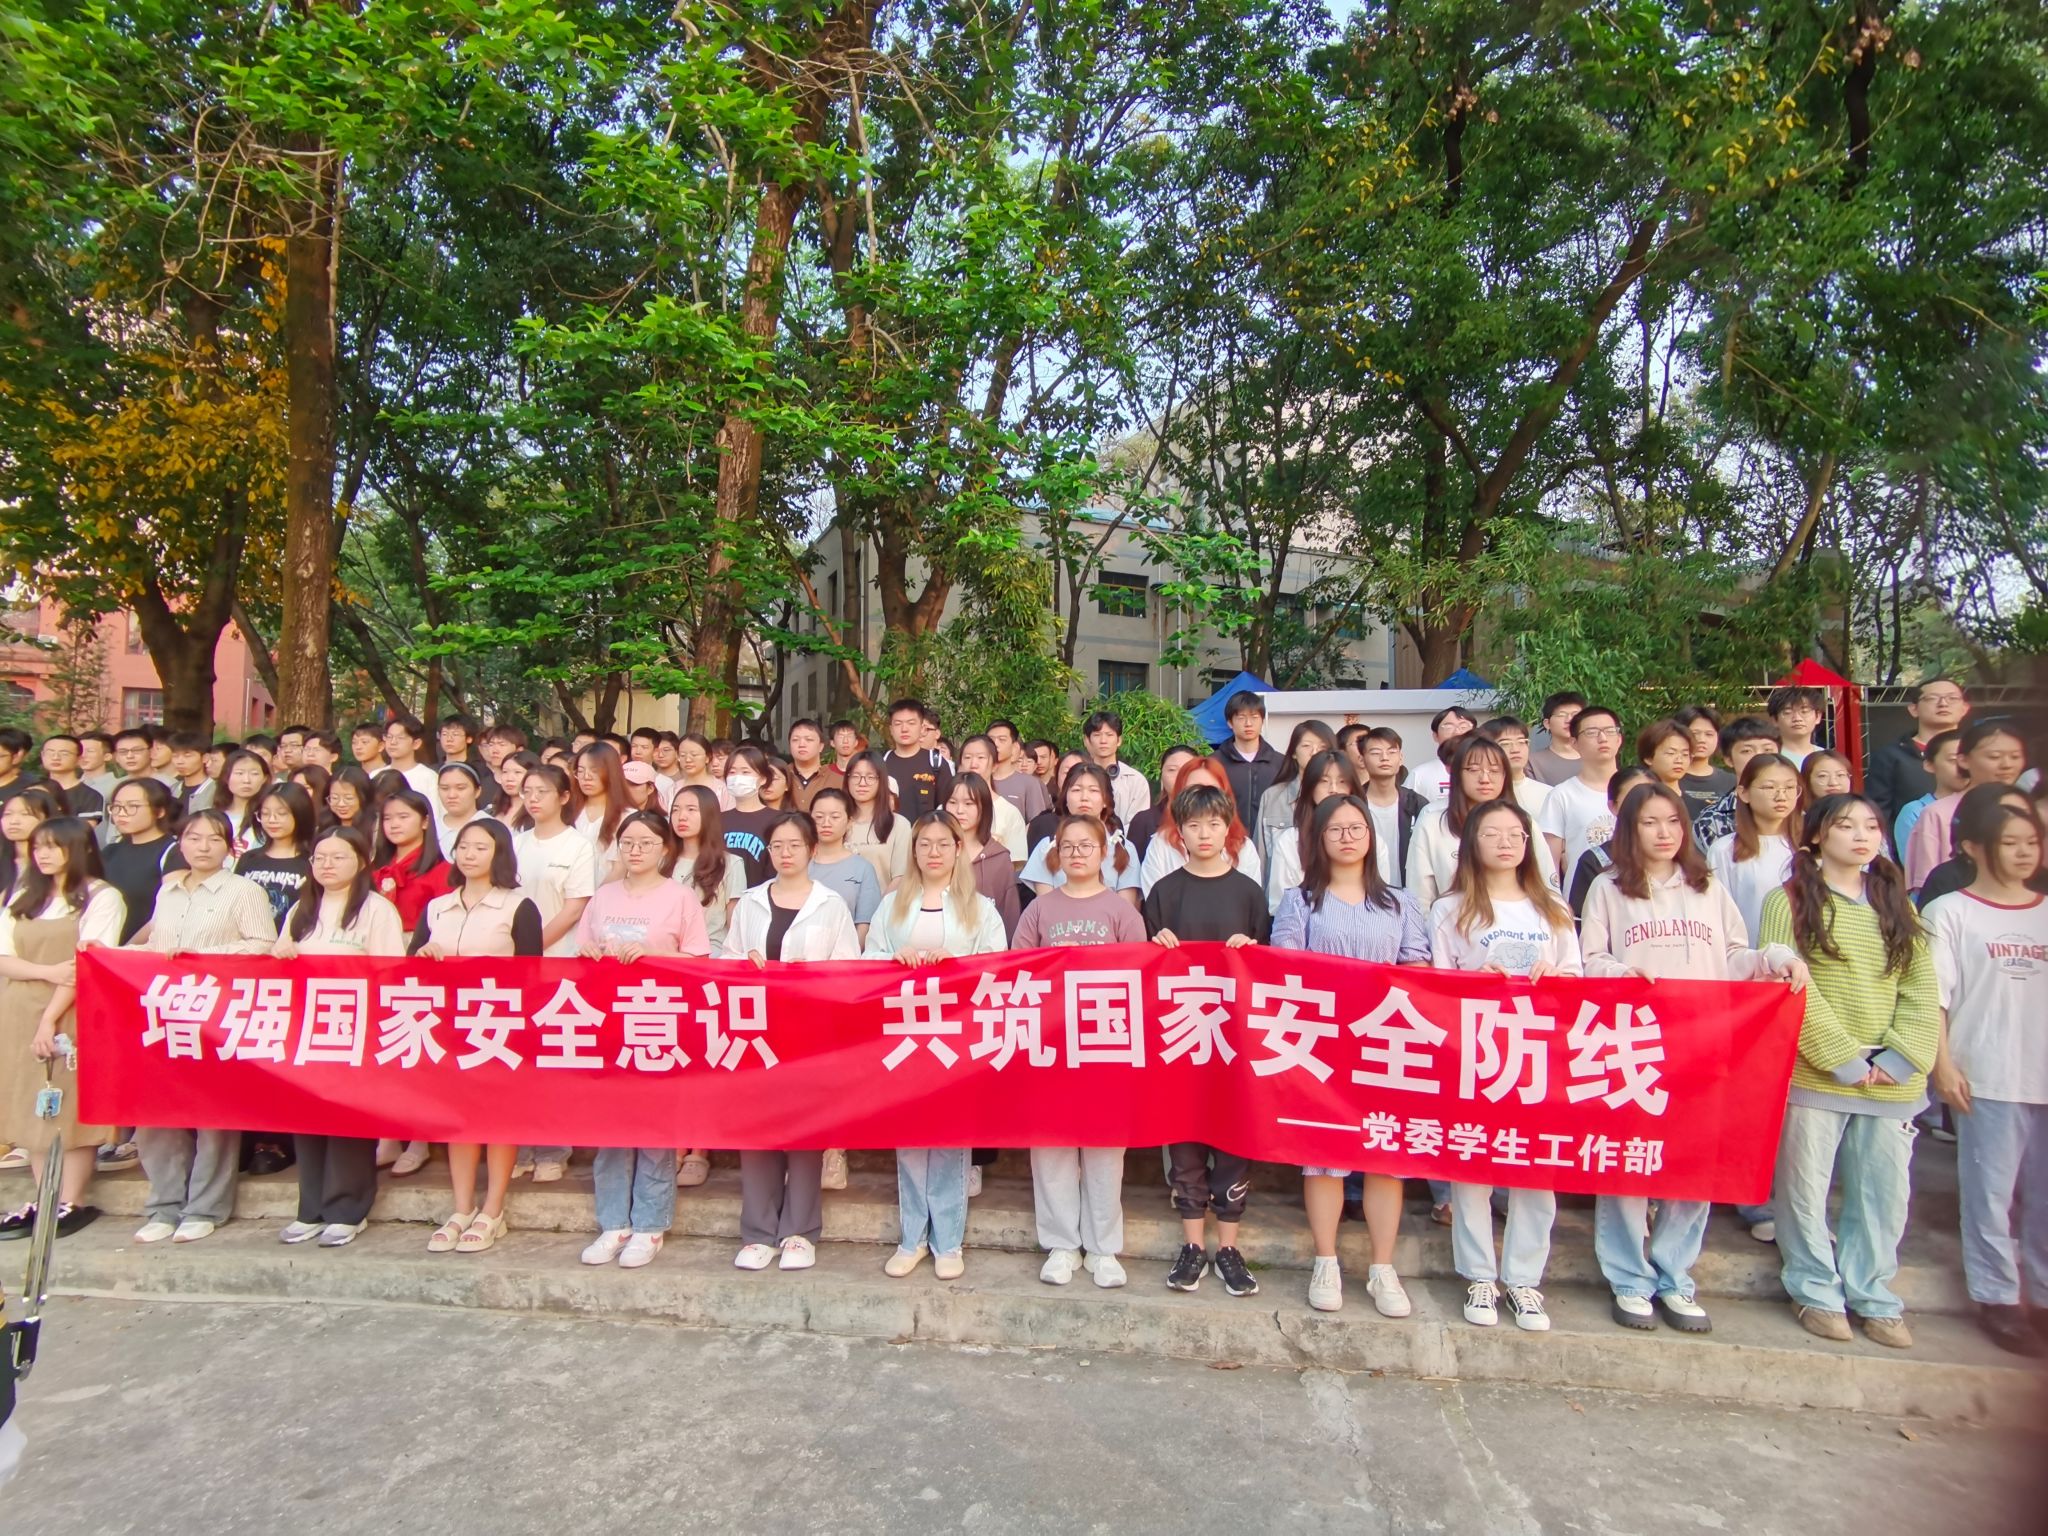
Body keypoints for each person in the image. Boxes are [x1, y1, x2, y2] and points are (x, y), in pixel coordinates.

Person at [1581, 784, 1808, 1333]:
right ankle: (1629, 1277)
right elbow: (1590, 959)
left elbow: (1733, 954)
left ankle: (1675, 1275)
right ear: (1629, 829)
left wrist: (1773, 957)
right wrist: (1620, 973)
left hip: (1703, 1045)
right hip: (1635, 1046)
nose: (1664, 833)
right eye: (1650, 822)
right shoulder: (1608, 887)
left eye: (1673, 822)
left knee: (1692, 1163)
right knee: (1630, 1160)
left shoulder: (1707, 885)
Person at [1758, 795, 1937, 1349]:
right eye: (1845, 825)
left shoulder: (1897, 904)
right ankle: (1814, 1290)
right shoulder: (1787, 900)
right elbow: (1791, 988)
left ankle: (1874, 1296)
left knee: (1883, 1195)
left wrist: (1898, 1058)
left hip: (1892, 1079)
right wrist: (1843, 1057)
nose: (1862, 836)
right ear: (1816, 835)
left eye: (1871, 826)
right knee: (1803, 1191)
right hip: (1816, 1074)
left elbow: (1922, 989)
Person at [1272, 794, 1429, 1315]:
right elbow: (1285, 969)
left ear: (1371, 835)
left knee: (1385, 1156)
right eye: (1335, 829)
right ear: (1318, 839)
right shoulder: (1300, 901)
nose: (1346, 837)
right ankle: (1326, 1261)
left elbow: (1418, 967)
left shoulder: (1401, 903)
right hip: (1322, 1045)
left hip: (1387, 1043)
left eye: (1356, 827)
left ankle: (1383, 1268)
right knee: (1324, 1158)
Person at [1427, 800, 1580, 1330]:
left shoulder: (1551, 907)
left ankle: (1524, 1280)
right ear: (1472, 843)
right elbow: (1434, 987)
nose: (1505, 842)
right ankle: (1479, 1276)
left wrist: (1555, 977)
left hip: (1540, 1054)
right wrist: (1473, 981)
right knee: (1473, 1165)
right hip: (1477, 1053)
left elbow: (1578, 978)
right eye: (1492, 833)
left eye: (1515, 833)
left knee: (1536, 1168)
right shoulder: (1451, 909)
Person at [1923, 794, 2048, 1355]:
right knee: (1990, 1194)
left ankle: (2042, 1295)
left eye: (2031, 842)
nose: (2023, 853)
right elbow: (1934, 998)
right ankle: (1998, 1297)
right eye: (2009, 843)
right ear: (1974, 847)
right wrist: (1944, 1063)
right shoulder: (1951, 912)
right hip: (1987, 1073)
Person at [863, 812, 1007, 1282]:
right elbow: (867, 960)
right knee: (909, 1139)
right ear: (914, 850)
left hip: (956, 1039)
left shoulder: (979, 907)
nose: (934, 852)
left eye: (944, 843)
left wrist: (959, 964)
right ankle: (912, 1239)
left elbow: (998, 967)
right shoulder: (893, 904)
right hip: (904, 1038)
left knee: (949, 1139)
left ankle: (948, 1241)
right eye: (925, 844)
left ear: (958, 849)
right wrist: (893, 959)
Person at [1012, 812, 1148, 1291]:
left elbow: (1141, 978)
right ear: (1056, 854)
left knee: (1105, 1149)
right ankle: (1061, 1244)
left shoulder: (1122, 912)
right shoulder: (1039, 910)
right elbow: (1017, 973)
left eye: (1086, 845)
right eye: (1067, 846)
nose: (1076, 853)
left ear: (1104, 853)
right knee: (1051, 1147)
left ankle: (1104, 1247)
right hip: (1050, 1047)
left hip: (1105, 1047)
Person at [1144, 781, 1269, 1298]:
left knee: (1234, 1139)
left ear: (1228, 829)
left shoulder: (1249, 892)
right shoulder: (1163, 892)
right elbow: (1144, 969)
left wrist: (1249, 950)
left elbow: (1268, 969)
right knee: (1185, 1139)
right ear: (1179, 832)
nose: (1203, 834)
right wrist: (1157, 946)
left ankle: (1229, 1249)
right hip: (1180, 1036)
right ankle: (1193, 1245)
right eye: (1193, 825)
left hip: (1235, 1038)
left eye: (1213, 824)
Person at [128, 810, 276, 1244]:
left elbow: (263, 946)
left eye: (214, 839)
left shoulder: (244, 890)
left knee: (214, 1114)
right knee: (156, 1110)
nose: (203, 847)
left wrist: (202, 957)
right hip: (165, 1013)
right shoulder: (169, 891)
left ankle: (205, 1207)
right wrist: (109, 953)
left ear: (229, 847)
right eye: (194, 838)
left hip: (217, 1015)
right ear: (181, 843)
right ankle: (164, 1205)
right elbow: (157, 948)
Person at [723, 811, 861, 1271]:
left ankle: (800, 1232)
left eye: (794, 845)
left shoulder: (831, 904)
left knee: (805, 1133)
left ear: (811, 850)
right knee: (757, 1130)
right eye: (777, 846)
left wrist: (813, 974)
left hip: (809, 1033)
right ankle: (758, 1232)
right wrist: (745, 964)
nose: (785, 854)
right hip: (757, 1032)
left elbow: (848, 968)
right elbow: (726, 960)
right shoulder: (750, 902)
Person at [576, 811, 709, 1270]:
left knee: (654, 1128)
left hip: (659, 1022)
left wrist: (655, 954)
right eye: (628, 842)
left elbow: (699, 960)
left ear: (664, 849)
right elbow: (581, 953)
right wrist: (588, 952)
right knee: (610, 1127)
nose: (635, 850)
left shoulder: (680, 897)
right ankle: (614, 1221)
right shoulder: (603, 896)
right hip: (608, 1023)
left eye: (646, 842)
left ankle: (650, 1223)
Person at [272, 827, 406, 1247]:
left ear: (362, 861)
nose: (326, 865)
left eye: (338, 857)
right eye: (319, 858)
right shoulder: (302, 908)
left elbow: (391, 973)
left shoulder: (376, 910)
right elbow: (278, 960)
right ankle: (310, 1208)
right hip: (305, 1029)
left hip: (355, 1029)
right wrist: (282, 955)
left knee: (348, 1120)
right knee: (307, 1119)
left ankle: (348, 1209)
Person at [416, 820, 544, 1257]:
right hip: (446, 1026)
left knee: (498, 1118)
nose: (469, 855)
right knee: (459, 1118)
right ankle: (461, 1208)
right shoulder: (437, 908)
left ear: (499, 853)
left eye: (480, 847)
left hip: (498, 1027)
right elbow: (411, 966)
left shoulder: (518, 906)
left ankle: (493, 1209)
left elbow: (532, 973)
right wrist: (425, 957)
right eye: (463, 847)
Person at [0, 817, 124, 1240]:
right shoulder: (22, 896)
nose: (43, 855)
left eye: (54, 846)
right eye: (38, 847)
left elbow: (85, 965)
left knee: (69, 1103)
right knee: (31, 1104)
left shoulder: (101, 897)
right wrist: (45, 971)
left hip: (73, 1010)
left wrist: (50, 1017)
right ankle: (44, 1197)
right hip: (20, 1006)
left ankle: (71, 1198)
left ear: (81, 849)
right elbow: (4, 956)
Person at [370, 788, 448, 1179]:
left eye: (403, 817)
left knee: (417, 1052)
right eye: (388, 818)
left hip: (419, 961)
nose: (394, 825)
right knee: (382, 1052)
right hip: (376, 959)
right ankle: (387, 1135)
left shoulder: (440, 870)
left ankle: (419, 1139)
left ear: (424, 821)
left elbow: (442, 922)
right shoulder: (376, 868)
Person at [1408, 736, 1557, 907]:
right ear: (1457, 774)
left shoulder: (1523, 822)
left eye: (1494, 770)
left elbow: (1546, 884)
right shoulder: (1432, 824)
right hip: (1451, 920)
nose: (1485, 779)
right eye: (1473, 769)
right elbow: (1419, 894)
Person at [1906, 720, 2027, 889]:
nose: (2007, 765)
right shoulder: (1937, 813)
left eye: (2015, 756)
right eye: (1994, 756)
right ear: (1963, 760)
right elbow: (1926, 882)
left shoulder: (2030, 810)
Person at [1705, 753, 1802, 947]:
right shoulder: (1724, 850)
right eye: (1769, 787)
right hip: (1751, 956)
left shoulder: (1811, 846)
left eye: (1790, 788)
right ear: (1744, 793)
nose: (1781, 796)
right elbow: (1718, 914)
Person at [1139, 756, 1262, 895]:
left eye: (1211, 790)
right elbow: (1155, 898)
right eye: (1194, 790)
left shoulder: (1244, 847)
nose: (1203, 798)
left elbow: (1250, 898)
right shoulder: (1161, 844)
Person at [1023, 763, 1142, 905]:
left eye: (1093, 790)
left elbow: (1126, 910)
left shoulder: (1125, 849)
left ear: (1106, 800)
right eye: (1076, 790)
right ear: (1065, 798)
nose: (1084, 797)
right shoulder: (1046, 848)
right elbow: (1045, 909)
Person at [1915, 786, 2047, 909]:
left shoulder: (2042, 880)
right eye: (2007, 813)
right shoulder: (1947, 883)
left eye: (2025, 814)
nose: (2018, 821)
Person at [1264, 749, 1361, 914]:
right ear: (1310, 787)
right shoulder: (1290, 841)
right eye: (1324, 781)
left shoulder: (1369, 839)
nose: (1333, 789)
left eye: (1342, 781)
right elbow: (1279, 905)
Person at [1537, 703, 1622, 882]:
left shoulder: (1638, 789)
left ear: (1619, 739)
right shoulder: (1561, 795)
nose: (1602, 738)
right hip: (1581, 894)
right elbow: (1549, 863)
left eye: (1610, 731)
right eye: (1591, 732)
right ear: (1574, 743)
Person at [1867, 678, 1970, 825]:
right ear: (1913, 709)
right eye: (1932, 698)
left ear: (1965, 708)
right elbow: (1878, 813)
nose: (1943, 703)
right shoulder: (1889, 756)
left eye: (1952, 698)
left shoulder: (1980, 753)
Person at [1564, 765, 1656, 918]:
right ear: (1613, 806)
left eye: (1649, 797)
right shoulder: (1595, 861)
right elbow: (1584, 922)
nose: (1642, 805)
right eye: (1632, 798)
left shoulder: (1673, 853)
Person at [99, 778, 180, 946]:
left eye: (132, 806)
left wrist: (128, 949)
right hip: (105, 948)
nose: (121, 813)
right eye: (116, 806)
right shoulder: (110, 851)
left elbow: (170, 913)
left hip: (146, 951)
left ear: (159, 811)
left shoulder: (174, 852)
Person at [943, 772, 1021, 939]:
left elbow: (1009, 916)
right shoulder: (934, 853)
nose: (959, 810)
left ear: (983, 807)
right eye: (952, 802)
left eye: (968, 803)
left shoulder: (999, 858)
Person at [1691, 715, 1786, 846]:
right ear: (1728, 759)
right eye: (1747, 751)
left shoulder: (1797, 813)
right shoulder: (1711, 820)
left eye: (1768, 750)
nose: (1759, 756)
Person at [235, 784, 316, 929]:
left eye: (282, 813)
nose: (272, 820)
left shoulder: (313, 861)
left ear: (300, 814)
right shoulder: (249, 859)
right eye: (265, 813)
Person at [1256, 719, 1338, 865]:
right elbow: (1260, 855)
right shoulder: (1273, 797)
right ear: (1294, 752)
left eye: (1322, 747)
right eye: (1306, 746)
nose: (1314, 752)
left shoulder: (1341, 794)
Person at [1357, 727, 1428, 889]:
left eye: (1391, 752)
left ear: (1401, 758)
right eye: (1375, 752)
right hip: (1363, 892)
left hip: (1409, 893)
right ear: (1362, 760)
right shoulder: (1352, 804)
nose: (1384, 758)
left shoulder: (1417, 804)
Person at [954, 737, 1028, 867]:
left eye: (981, 757)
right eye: (967, 757)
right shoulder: (947, 808)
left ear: (994, 766)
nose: (973, 764)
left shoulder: (1009, 812)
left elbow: (1015, 865)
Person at [1893, 729, 1966, 859]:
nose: (1963, 767)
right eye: (1953, 759)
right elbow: (1916, 864)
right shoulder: (1915, 812)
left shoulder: (1990, 805)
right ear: (1929, 765)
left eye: (1967, 759)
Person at [843, 752, 910, 890]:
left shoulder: (898, 824)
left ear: (881, 781)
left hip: (884, 901)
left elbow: (901, 876)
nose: (862, 783)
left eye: (870, 777)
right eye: (855, 776)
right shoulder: (838, 822)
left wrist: (881, 904)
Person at [1216, 691, 1284, 818]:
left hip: (1269, 831)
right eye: (1241, 718)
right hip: (1227, 830)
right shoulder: (1215, 763)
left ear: (1262, 721)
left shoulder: (1281, 763)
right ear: (1230, 722)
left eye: (1254, 717)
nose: (1248, 723)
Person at [720, 745, 781, 885]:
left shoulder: (778, 820)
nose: (737, 778)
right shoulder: (717, 819)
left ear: (763, 778)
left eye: (745, 772)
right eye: (732, 772)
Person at [881, 698, 953, 819]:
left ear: (922, 728)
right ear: (891, 730)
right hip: (889, 830)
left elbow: (946, 808)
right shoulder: (881, 763)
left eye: (911, 723)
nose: (904, 729)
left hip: (925, 830)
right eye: (898, 724)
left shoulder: (937, 763)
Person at [1125, 745, 1199, 860]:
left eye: (1187, 770)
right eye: (1172, 770)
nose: (1179, 776)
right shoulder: (1143, 820)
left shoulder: (1216, 816)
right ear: (1161, 775)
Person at [572, 741, 632, 879]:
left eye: (594, 771)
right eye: (580, 771)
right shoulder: (568, 812)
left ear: (611, 772)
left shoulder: (626, 816)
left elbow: (619, 869)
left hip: (608, 889)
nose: (586, 777)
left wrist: (597, 893)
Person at [1479, 715, 1551, 821]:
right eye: (1505, 744)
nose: (1515, 749)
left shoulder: (1548, 794)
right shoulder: (1482, 792)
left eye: (1521, 742)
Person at [985, 719, 1051, 824]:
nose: (995, 744)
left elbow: (1037, 824)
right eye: (991, 740)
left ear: (1015, 747)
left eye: (1002, 740)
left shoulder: (1030, 783)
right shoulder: (977, 780)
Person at [1673, 705, 1734, 819]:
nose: (1701, 740)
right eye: (1694, 733)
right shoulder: (1668, 777)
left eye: (1709, 734)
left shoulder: (1732, 782)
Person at [210, 748, 269, 857]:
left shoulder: (268, 817)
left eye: (254, 774)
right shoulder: (212, 817)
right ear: (226, 777)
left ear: (264, 778)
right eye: (239, 773)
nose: (246, 780)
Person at [36, 735, 104, 829]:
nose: (55, 757)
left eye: (64, 753)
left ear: (79, 759)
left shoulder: (90, 796)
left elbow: (82, 832)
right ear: (42, 755)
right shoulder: (31, 789)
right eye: (50, 752)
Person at [1415, 707, 1478, 804]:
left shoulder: (1488, 769)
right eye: (1449, 727)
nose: (1457, 732)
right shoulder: (1419, 774)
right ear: (1435, 736)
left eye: (1463, 727)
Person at [1527, 692, 1587, 785]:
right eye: (1561, 715)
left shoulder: (1598, 757)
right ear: (1547, 724)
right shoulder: (1533, 762)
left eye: (1575, 715)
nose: (1569, 720)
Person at [784, 718, 842, 811]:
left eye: (809, 739)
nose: (802, 744)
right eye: (795, 740)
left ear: (821, 746)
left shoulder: (838, 779)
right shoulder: (780, 776)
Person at [433, 761, 489, 857]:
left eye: (460, 788)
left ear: (477, 791)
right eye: (445, 788)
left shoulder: (492, 828)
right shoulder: (431, 829)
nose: (451, 795)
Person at [381, 716, 441, 800]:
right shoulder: (377, 775)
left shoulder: (429, 777)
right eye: (389, 736)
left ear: (416, 744)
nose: (393, 742)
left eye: (400, 738)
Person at [1767, 685, 1825, 769]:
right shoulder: (1769, 758)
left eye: (1804, 711)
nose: (1797, 718)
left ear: (1818, 717)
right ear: (1774, 720)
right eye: (1787, 712)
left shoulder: (1827, 758)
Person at [1635, 719, 1694, 796]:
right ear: (1648, 758)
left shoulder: (1697, 801)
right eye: (1671, 753)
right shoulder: (1637, 799)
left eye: (1685, 754)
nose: (1679, 760)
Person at [325, 766, 377, 836]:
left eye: (348, 798)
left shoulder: (375, 828)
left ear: (363, 797)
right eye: (335, 798)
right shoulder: (323, 825)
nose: (341, 804)